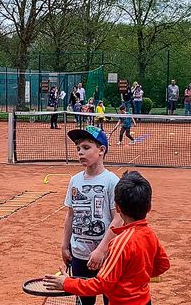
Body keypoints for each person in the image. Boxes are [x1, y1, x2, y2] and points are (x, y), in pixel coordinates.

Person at [45, 171, 170, 305]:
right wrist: (136, 278)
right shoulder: (150, 234)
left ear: (117, 207)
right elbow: (163, 264)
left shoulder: (120, 243)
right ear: (149, 207)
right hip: (145, 301)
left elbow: (102, 284)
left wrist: (67, 283)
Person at [61, 126, 122, 305]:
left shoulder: (112, 181)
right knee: (84, 301)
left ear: (101, 150)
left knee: (110, 299)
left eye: (86, 148)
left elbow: (118, 219)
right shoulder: (75, 180)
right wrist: (65, 245)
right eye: (78, 148)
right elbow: (70, 215)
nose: (80, 152)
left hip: (106, 256)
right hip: (79, 254)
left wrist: (101, 250)